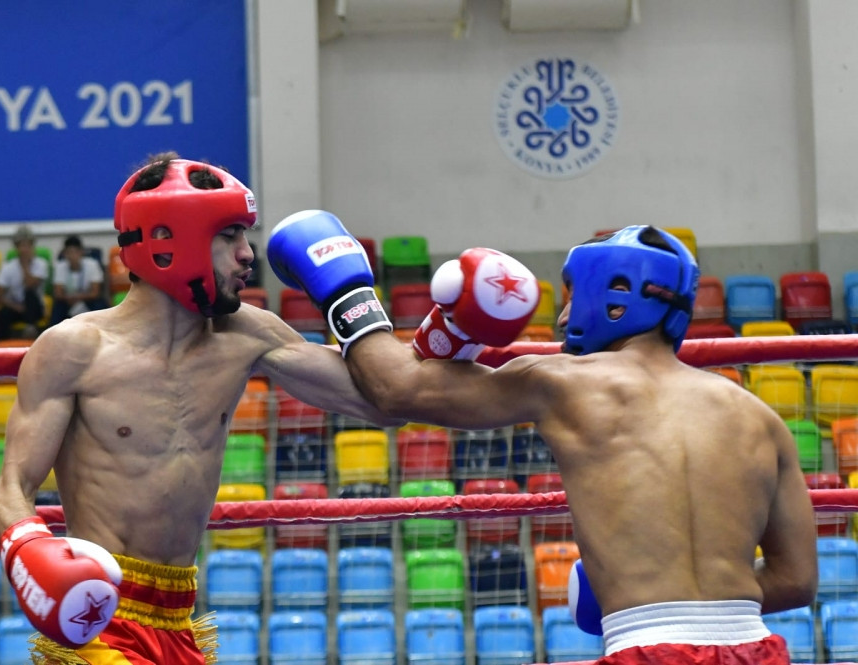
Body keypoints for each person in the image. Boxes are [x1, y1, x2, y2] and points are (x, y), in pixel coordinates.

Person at [268, 214, 818, 665]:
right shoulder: (759, 417)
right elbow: (796, 580)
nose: (560, 319)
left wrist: (345, 285)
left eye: (572, 296)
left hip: (647, 648)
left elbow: (394, 388)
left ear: (615, 295)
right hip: (755, 647)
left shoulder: (561, 383)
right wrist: (700, 600)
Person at [0, 153, 401, 664]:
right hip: (100, 621)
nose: (248, 255)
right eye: (229, 234)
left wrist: (352, 298)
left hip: (180, 619)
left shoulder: (249, 333)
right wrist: (30, 552)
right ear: (174, 238)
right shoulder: (74, 348)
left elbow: (386, 403)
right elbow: (12, 487)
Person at [0, 225, 50, 340]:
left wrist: (24, 265)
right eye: (21, 246)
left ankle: (30, 328)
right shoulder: (8, 267)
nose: (24, 249)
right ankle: (2, 345)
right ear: (16, 247)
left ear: (32, 246)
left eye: (27, 245)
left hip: (35, 308)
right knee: (3, 313)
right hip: (16, 307)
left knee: (29, 292)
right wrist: (15, 307)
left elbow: (30, 284)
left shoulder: (41, 264)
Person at [49, 235, 108, 326]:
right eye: (69, 252)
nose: (72, 256)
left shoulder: (92, 264)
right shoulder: (60, 266)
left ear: (81, 252)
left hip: (88, 300)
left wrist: (77, 297)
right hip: (67, 301)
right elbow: (58, 293)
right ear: (65, 254)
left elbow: (95, 292)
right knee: (58, 307)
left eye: (75, 252)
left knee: (99, 305)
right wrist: (71, 299)